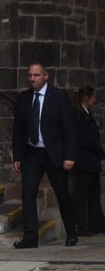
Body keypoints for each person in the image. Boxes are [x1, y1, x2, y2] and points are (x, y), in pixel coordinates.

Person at [11, 62, 79, 248]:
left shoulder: (58, 97)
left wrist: (69, 155)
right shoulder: (24, 98)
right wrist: (17, 156)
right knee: (28, 193)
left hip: (54, 153)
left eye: (37, 75)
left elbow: (69, 128)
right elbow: (18, 129)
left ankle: (71, 232)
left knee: (62, 193)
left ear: (45, 76)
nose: (33, 79)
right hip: (32, 154)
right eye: (30, 75)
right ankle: (30, 237)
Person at [71, 86, 105, 236]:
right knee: (82, 194)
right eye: (93, 97)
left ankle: (97, 225)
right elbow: (86, 139)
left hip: (91, 160)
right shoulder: (79, 115)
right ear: (86, 98)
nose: (95, 100)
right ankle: (81, 227)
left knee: (94, 193)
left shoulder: (86, 114)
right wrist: (99, 152)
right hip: (84, 160)